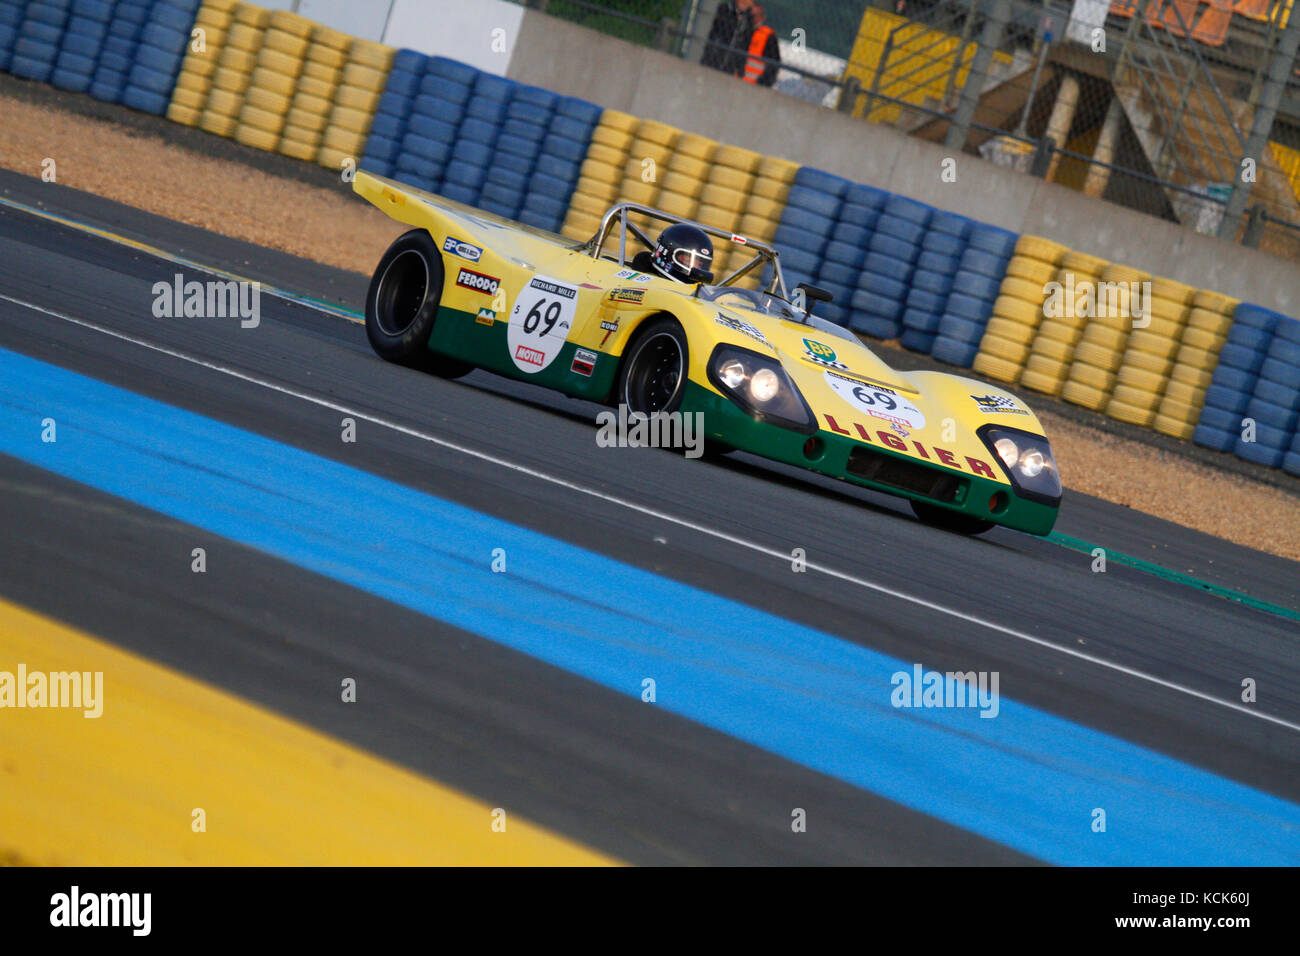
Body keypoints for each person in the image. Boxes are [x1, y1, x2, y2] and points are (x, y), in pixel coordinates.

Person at [631, 224, 715, 285]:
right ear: (667, 253)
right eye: (688, 260)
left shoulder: (701, 295)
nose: (696, 268)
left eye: (700, 264)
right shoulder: (638, 282)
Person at [702, 0, 755, 77]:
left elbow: (745, 47)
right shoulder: (725, 9)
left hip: (730, 65)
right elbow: (714, 32)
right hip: (714, 57)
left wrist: (740, 68)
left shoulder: (749, 20)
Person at [741, 4, 780, 88]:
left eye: (756, 16)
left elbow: (774, 64)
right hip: (737, 79)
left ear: (762, 17)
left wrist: (762, 83)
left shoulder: (768, 36)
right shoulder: (743, 31)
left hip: (755, 84)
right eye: (751, 16)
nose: (753, 19)